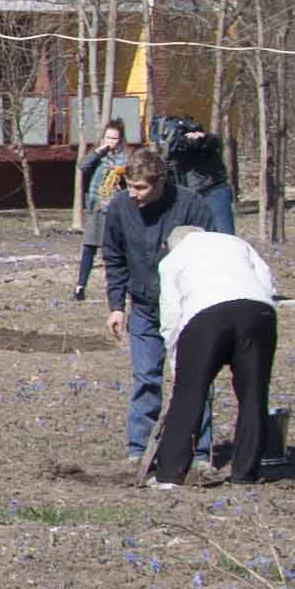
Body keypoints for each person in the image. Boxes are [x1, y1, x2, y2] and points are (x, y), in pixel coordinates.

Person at [96, 148, 229, 461]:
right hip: (144, 307)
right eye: (130, 186)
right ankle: (139, 449)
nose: (133, 194)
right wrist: (117, 306)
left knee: (194, 377)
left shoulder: (191, 205)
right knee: (146, 377)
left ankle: (199, 452)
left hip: (186, 309)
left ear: (161, 182)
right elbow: (114, 257)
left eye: (141, 188)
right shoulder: (120, 207)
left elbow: (210, 255)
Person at [147, 224, 278, 487]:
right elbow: (266, 279)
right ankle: (245, 474)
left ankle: (169, 475)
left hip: (206, 315)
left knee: (189, 394)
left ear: (173, 244)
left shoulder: (173, 258)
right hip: (259, 312)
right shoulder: (236, 243)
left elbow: (171, 313)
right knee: (254, 394)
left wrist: (176, 360)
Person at [72, 119, 132, 299]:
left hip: (115, 209)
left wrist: (122, 178)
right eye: (107, 137)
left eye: (114, 138)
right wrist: (98, 151)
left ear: (120, 140)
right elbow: (83, 166)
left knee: (115, 250)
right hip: (97, 206)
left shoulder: (126, 158)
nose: (110, 141)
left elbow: (132, 181)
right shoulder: (99, 155)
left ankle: (120, 287)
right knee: (89, 248)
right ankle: (80, 287)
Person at [170, 125, 238, 233]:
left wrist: (202, 139)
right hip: (188, 196)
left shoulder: (206, 143)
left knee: (224, 235)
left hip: (213, 191)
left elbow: (215, 141)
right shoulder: (175, 149)